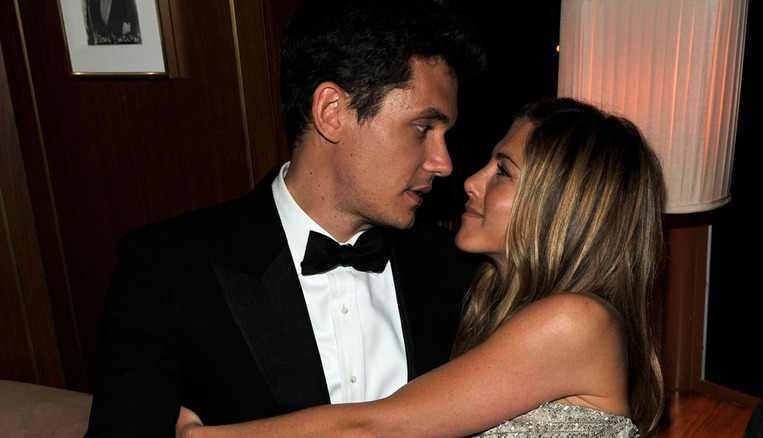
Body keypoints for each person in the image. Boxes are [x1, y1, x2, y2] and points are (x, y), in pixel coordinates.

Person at [84, 0, 484, 436]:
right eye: (423, 128)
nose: (443, 163)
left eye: (445, 134)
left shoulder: (456, 269)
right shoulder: (167, 271)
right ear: (332, 111)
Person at [175, 98, 667, 438]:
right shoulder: (487, 300)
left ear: (565, 206)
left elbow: (377, 427)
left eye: (503, 170)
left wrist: (204, 437)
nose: (470, 180)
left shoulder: (576, 321)